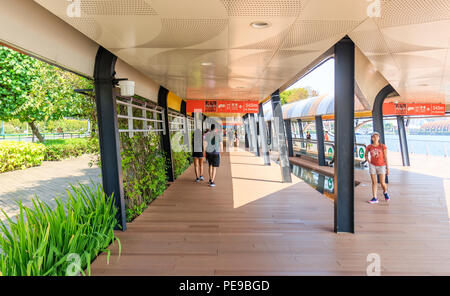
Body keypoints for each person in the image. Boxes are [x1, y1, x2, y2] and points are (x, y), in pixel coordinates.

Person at [365, 131, 390, 204]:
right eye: (374, 137)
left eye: (377, 136)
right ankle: (375, 198)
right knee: (374, 182)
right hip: (372, 165)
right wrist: (368, 160)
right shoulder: (369, 146)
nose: (375, 138)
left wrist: (387, 168)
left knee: (382, 183)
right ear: (372, 138)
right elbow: (366, 154)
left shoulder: (383, 146)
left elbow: (385, 157)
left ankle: (385, 192)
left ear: (379, 138)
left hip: (382, 166)